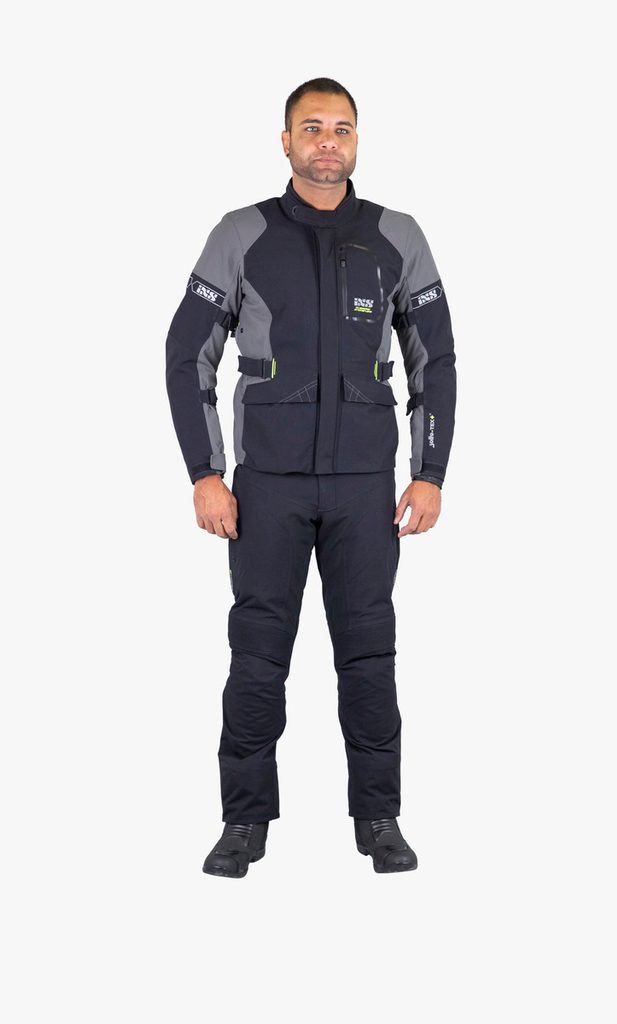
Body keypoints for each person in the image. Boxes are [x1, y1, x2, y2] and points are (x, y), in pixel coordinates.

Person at [165, 77, 457, 878]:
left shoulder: (397, 235)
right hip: (269, 487)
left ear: (356, 140)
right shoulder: (242, 233)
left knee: (368, 657)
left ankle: (379, 818)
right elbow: (187, 355)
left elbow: (435, 360)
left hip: (365, 488)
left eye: (341, 129)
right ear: (286, 141)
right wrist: (206, 473)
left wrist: (429, 472)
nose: (328, 142)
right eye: (312, 128)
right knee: (258, 659)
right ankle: (243, 823)